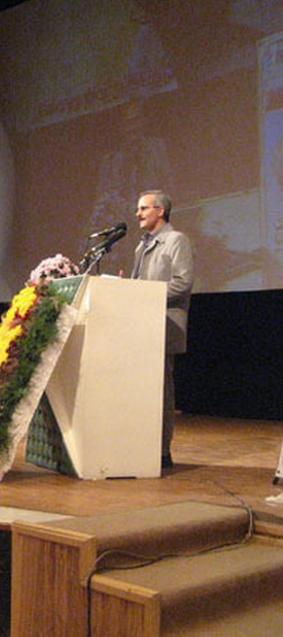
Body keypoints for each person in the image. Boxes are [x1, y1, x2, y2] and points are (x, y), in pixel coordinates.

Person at [126, 189, 194, 470]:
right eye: (138, 209)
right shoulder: (140, 247)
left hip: (164, 326)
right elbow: (136, 287)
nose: (138, 214)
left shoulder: (176, 240)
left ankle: (162, 451)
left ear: (161, 211)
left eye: (144, 208)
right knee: (141, 391)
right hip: (141, 327)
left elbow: (183, 283)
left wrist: (146, 295)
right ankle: (139, 446)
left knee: (161, 391)